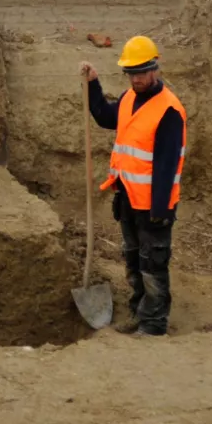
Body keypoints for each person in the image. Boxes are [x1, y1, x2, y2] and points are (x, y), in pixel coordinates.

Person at [79, 36, 185, 335]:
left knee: (153, 263)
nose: (136, 79)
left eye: (141, 72)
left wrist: (161, 208)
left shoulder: (168, 111)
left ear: (155, 69)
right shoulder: (128, 99)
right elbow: (103, 116)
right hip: (127, 195)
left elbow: (167, 163)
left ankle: (153, 325)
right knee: (133, 257)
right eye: (131, 73)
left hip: (153, 203)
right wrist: (93, 85)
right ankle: (139, 310)